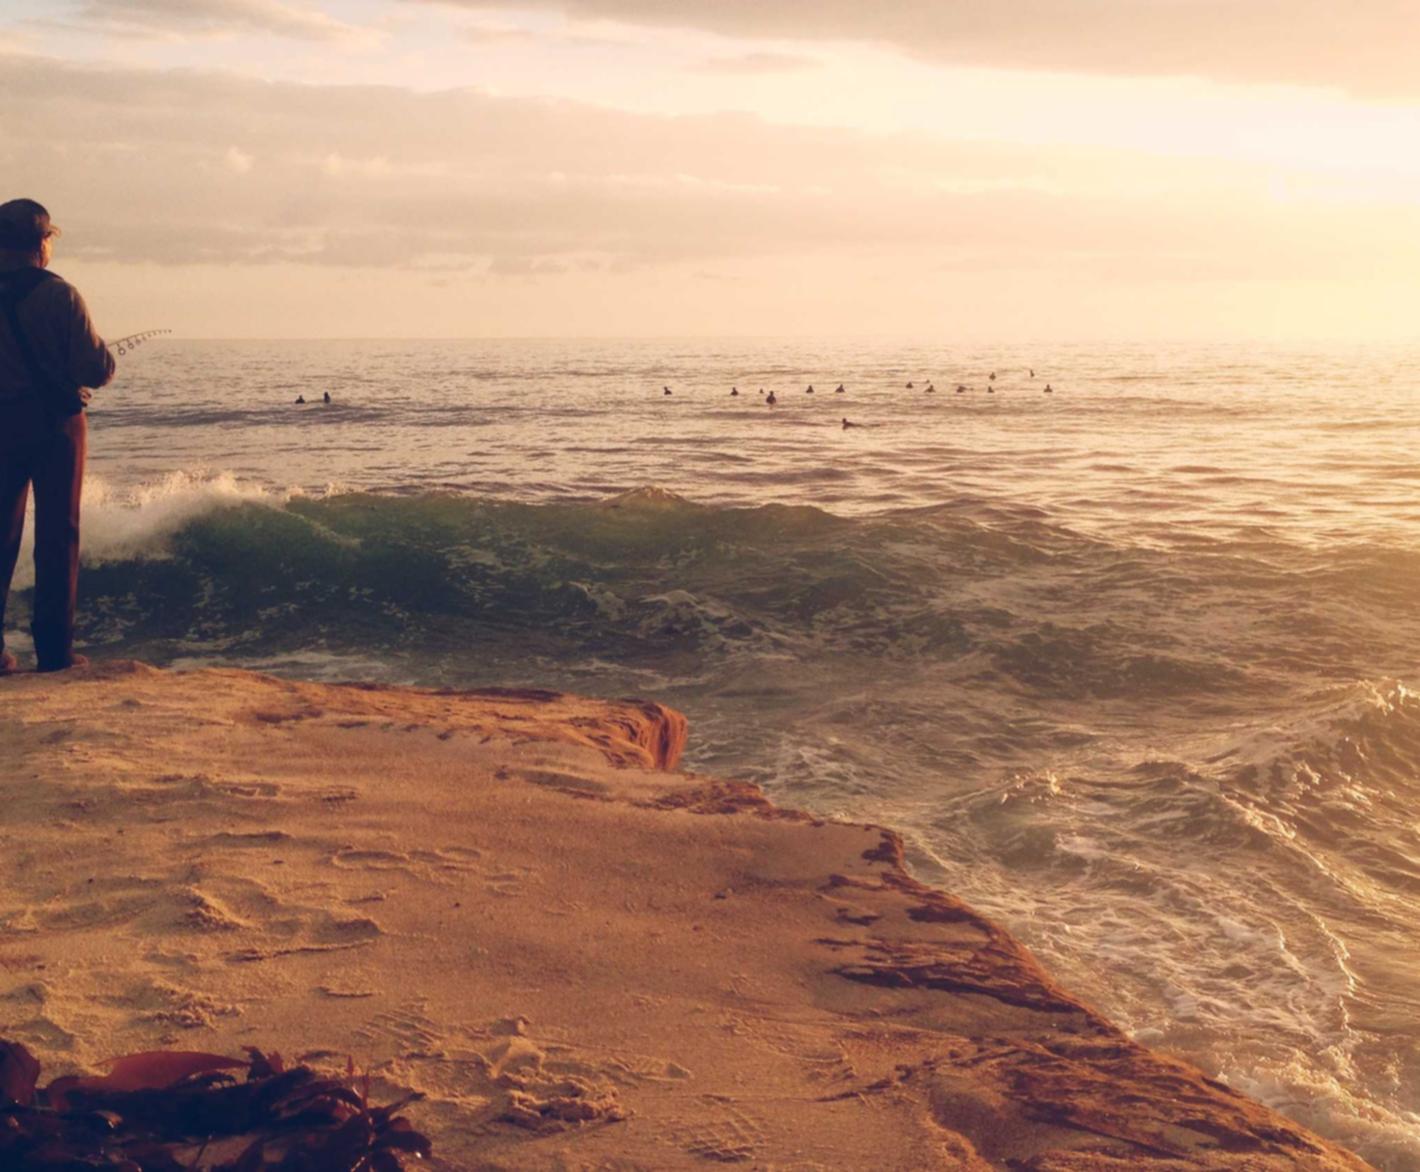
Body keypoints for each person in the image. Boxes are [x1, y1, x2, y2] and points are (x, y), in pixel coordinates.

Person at [0, 199, 114, 673]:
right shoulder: (60, 295)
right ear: (41, 242)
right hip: (54, 426)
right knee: (57, 535)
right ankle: (55, 651)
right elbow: (96, 368)